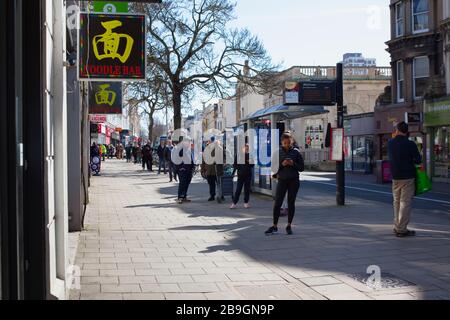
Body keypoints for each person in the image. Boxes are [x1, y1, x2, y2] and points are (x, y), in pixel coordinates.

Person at [265, 132, 304, 236]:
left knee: (291, 203)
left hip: (293, 180)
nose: (286, 144)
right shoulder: (277, 153)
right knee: (277, 203)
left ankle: (289, 225)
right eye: (284, 143)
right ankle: (274, 226)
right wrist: (282, 165)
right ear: (281, 142)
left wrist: (293, 164)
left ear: (291, 142)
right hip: (282, 180)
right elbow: (273, 168)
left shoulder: (296, 152)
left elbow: (302, 168)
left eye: (288, 143)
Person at [388, 122, 422, 238]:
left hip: (395, 177)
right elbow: (418, 160)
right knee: (405, 203)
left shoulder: (390, 143)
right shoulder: (410, 144)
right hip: (408, 177)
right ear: (407, 131)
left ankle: (397, 226)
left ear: (397, 130)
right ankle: (402, 229)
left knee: (396, 202)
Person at [230, 144, 254, 209]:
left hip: (248, 175)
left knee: (247, 189)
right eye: (245, 148)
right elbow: (234, 164)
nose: (246, 150)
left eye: (247, 149)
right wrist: (239, 168)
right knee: (238, 189)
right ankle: (234, 203)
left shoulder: (250, 155)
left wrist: (250, 162)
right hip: (240, 175)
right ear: (242, 148)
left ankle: (246, 203)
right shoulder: (238, 155)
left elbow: (252, 165)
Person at [174, 140, 194, 204]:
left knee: (187, 183)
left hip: (189, 170)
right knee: (182, 183)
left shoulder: (188, 150)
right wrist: (180, 168)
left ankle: (184, 196)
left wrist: (192, 166)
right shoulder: (180, 150)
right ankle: (180, 197)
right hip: (182, 170)